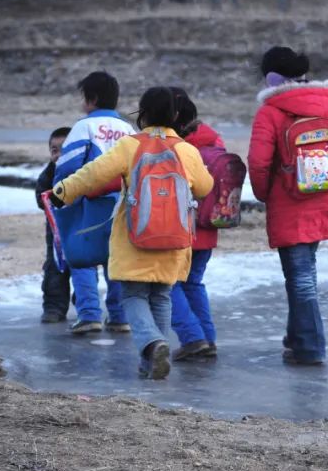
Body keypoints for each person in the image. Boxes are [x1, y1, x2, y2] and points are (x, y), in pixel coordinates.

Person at [51, 87, 214, 379]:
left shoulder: (131, 146)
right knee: (162, 295)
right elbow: (204, 187)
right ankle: (151, 361)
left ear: (144, 114)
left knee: (134, 295)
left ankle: (152, 345)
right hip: (174, 236)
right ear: (176, 116)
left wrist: (63, 191)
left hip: (135, 235)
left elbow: (93, 174)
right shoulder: (187, 150)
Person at [247, 47, 328, 365]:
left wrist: (265, 192)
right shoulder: (327, 105)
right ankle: (297, 338)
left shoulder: (270, 112)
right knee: (302, 272)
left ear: (271, 78)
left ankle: (310, 347)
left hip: (288, 204)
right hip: (321, 200)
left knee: (300, 277)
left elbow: (258, 162)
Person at [54, 71, 134, 335]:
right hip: (122, 205)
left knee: (83, 257)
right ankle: (120, 316)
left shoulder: (84, 126)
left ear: (92, 99)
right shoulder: (128, 129)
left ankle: (89, 314)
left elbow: (68, 166)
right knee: (116, 259)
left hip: (90, 204)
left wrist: (61, 191)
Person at [168, 87, 222, 361]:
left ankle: (192, 338)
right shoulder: (214, 140)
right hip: (209, 225)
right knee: (193, 283)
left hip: (181, 226)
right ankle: (207, 340)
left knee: (169, 282)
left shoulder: (176, 147)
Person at [35, 126, 72, 323]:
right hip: (56, 233)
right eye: (54, 150)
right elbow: (40, 196)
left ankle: (84, 305)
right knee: (54, 270)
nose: (58, 155)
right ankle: (53, 308)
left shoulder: (82, 172)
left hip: (80, 230)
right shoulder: (48, 174)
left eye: (63, 149)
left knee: (83, 270)